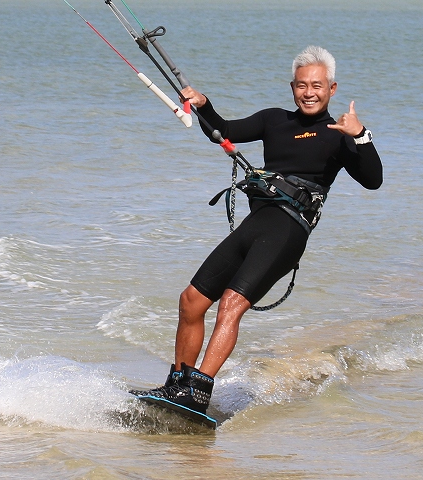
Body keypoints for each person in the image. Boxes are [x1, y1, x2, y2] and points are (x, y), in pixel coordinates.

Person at [131, 46, 383, 414]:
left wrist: (361, 135)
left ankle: (199, 391)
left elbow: (373, 180)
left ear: (332, 88)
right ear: (292, 87)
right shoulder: (273, 120)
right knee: (191, 300)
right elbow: (224, 131)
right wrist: (203, 104)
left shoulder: (339, 135)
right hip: (256, 225)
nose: (308, 92)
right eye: (301, 85)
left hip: (289, 231)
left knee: (231, 304)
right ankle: (178, 385)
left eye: (316, 85)